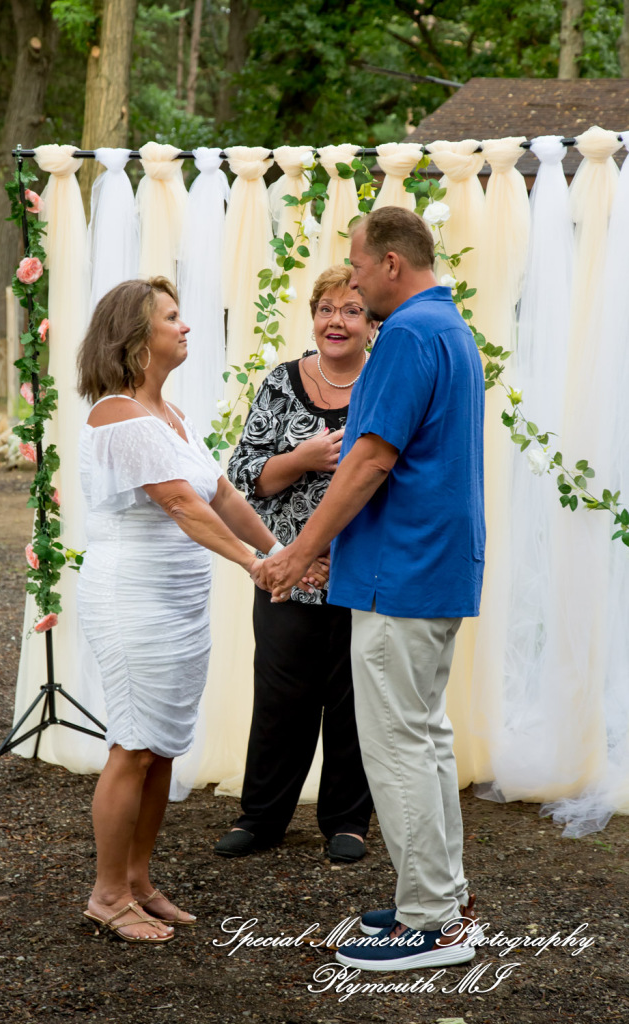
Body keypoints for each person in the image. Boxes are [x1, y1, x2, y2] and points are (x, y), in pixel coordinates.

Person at [260, 207, 486, 971]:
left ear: (391, 263)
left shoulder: (408, 335)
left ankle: (431, 922)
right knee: (422, 739)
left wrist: (301, 550)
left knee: (395, 746)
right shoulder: (449, 328)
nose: (352, 285)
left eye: (357, 269)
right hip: (434, 565)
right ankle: (444, 897)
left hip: (402, 569)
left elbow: (368, 459)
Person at [76, 276, 295, 944]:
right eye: (172, 317)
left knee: (163, 747)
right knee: (133, 745)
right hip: (132, 599)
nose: (186, 326)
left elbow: (221, 494)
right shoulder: (117, 415)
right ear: (135, 335)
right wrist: (254, 566)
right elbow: (179, 503)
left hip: (178, 603)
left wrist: (281, 551)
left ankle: (138, 881)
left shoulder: (170, 414)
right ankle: (107, 894)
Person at [214, 265, 375, 863]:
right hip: (286, 573)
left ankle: (348, 821)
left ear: (372, 323)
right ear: (312, 317)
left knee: (353, 701)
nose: (337, 321)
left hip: (360, 574)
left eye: (352, 310)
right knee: (281, 699)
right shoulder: (282, 383)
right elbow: (243, 477)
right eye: (325, 308)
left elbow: (395, 479)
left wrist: (333, 555)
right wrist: (302, 458)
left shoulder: (384, 383)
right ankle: (261, 818)